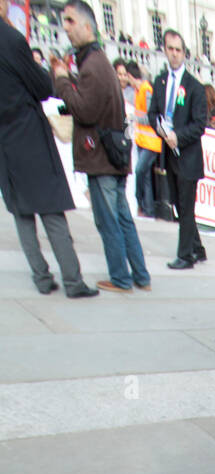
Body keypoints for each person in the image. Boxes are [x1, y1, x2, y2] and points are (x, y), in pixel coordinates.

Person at [0, 0, 97, 297]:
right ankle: (72, 280)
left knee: (21, 213)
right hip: (27, 133)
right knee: (51, 210)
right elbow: (41, 87)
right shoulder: (11, 39)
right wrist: (50, 72)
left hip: (4, 141)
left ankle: (41, 278)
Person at [52, 2, 150, 293]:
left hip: (102, 159)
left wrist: (61, 83)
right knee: (122, 219)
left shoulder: (93, 66)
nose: (65, 27)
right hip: (113, 156)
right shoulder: (99, 63)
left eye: (70, 21)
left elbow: (85, 111)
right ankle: (140, 276)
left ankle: (121, 278)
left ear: (86, 26)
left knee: (109, 221)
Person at [148, 29, 207, 269]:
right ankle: (197, 248)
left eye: (178, 50)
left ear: (184, 53)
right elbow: (153, 113)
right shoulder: (161, 82)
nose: (174, 54)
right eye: (170, 49)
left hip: (187, 155)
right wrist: (161, 131)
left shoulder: (194, 87)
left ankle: (186, 256)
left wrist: (177, 137)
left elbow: (199, 124)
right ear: (165, 50)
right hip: (168, 154)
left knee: (185, 206)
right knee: (179, 204)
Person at [126, 60, 160, 218]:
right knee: (144, 175)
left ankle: (141, 202)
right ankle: (148, 210)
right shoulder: (137, 91)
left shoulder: (146, 90)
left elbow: (149, 118)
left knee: (140, 171)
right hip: (142, 140)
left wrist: (133, 117)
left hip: (151, 142)